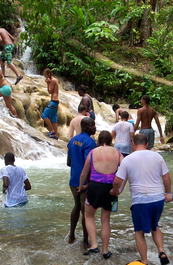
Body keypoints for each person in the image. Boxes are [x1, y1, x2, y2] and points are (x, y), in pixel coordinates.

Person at [110, 134, 171, 265]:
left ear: (133, 144)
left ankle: (144, 261)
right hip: (158, 199)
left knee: (139, 231)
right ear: (147, 144)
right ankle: (161, 251)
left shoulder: (127, 159)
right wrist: (168, 193)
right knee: (155, 226)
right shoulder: (157, 156)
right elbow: (166, 177)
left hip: (141, 200)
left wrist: (116, 190)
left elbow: (117, 180)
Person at [78, 131, 124, 259]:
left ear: (99, 140)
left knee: (88, 216)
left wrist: (81, 187)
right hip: (111, 188)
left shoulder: (93, 152)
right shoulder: (117, 153)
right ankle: (105, 250)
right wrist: (120, 188)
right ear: (110, 140)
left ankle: (93, 245)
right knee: (105, 220)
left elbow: (83, 173)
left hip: (95, 187)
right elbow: (125, 170)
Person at [66, 117, 97, 248]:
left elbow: (68, 162)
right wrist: (87, 184)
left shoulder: (72, 140)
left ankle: (72, 235)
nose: (94, 128)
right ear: (85, 126)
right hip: (85, 182)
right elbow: (89, 164)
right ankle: (85, 241)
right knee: (86, 212)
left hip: (73, 180)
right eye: (92, 125)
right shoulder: (90, 142)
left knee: (76, 206)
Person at [41, 68, 59, 139]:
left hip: (53, 101)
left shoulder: (52, 80)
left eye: (45, 75)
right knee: (54, 119)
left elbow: (50, 91)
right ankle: (56, 135)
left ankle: (52, 130)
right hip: (56, 101)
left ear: (49, 74)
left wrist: (48, 83)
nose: (45, 77)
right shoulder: (55, 80)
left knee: (44, 115)